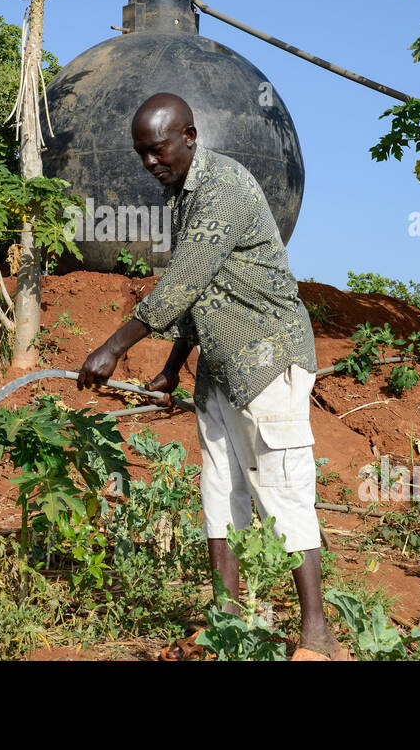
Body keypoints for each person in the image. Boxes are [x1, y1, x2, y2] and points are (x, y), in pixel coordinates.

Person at [77, 91, 347, 659]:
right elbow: (204, 295)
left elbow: (181, 283)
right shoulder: (184, 195)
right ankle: (226, 624)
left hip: (269, 361)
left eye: (158, 149)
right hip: (221, 370)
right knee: (221, 494)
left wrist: (113, 348)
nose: (151, 162)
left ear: (190, 136)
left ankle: (317, 638)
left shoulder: (222, 187)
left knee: (282, 491)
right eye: (142, 154)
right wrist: (174, 367)